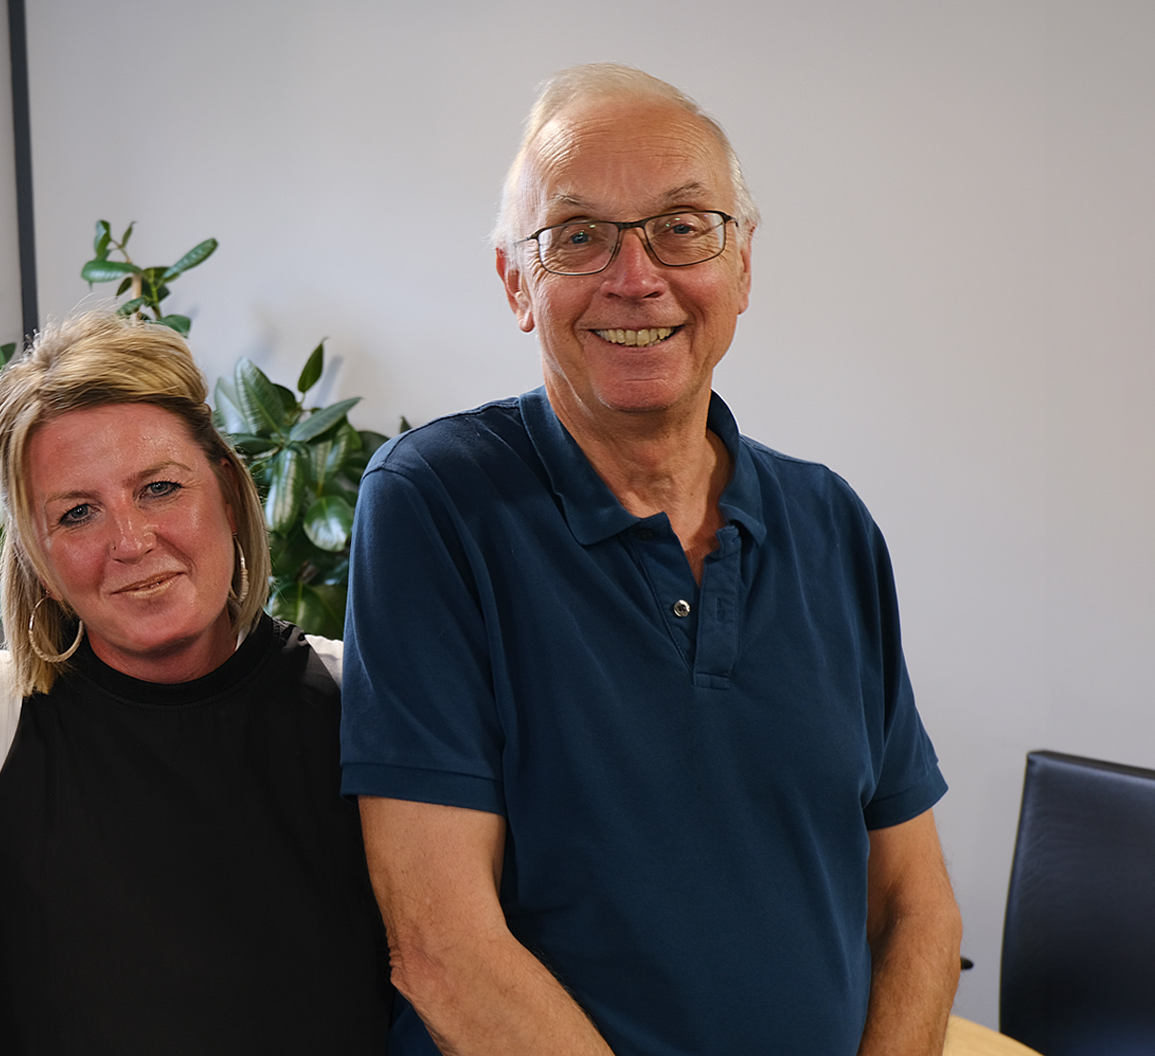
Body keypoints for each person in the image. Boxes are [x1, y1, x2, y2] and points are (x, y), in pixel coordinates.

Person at [341, 64, 962, 1055]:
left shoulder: (832, 523)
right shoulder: (435, 505)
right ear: (515, 283)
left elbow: (917, 904)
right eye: (579, 237)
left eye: (682, 227)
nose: (637, 278)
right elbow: (440, 945)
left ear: (743, 265)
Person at [0, 311, 392, 1054]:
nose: (131, 542)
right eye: (77, 512)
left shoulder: (360, 704)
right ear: (41, 561)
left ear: (229, 496)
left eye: (159, 488)